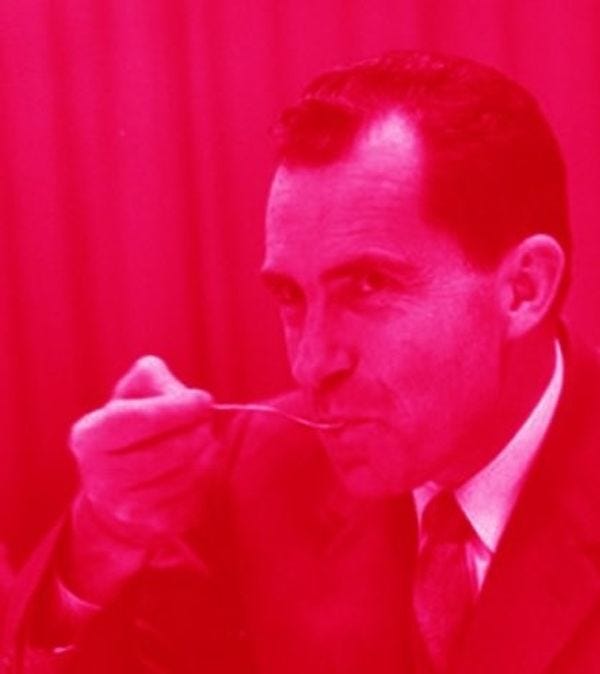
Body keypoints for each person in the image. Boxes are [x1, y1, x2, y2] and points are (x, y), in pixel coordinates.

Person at [3, 50, 600, 674]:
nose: (311, 363)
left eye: (367, 285)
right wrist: (104, 540)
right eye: (291, 297)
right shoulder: (260, 471)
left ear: (524, 289)